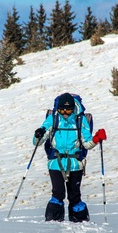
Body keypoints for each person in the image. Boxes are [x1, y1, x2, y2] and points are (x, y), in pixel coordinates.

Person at [33, 92, 106, 222]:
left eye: (68, 110)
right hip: (56, 162)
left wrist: (96, 139)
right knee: (58, 193)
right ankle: (53, 222)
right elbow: (37, 143)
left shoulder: (80, 119)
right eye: (62, 110)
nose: (65, 113)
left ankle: (80, 222)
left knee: (74, 195)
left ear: (73, 108)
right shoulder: (53, 118)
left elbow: (87, 144)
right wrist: (38, 134)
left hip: (75, 163)